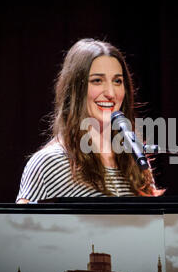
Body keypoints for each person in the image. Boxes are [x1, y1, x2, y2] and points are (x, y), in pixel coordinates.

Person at [16, 38, 163, 203]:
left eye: (117, 81)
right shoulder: (49, 162)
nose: (110, 93)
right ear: (76, 90)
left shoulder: (134, 159)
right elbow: (22, 227)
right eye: (97, 81)